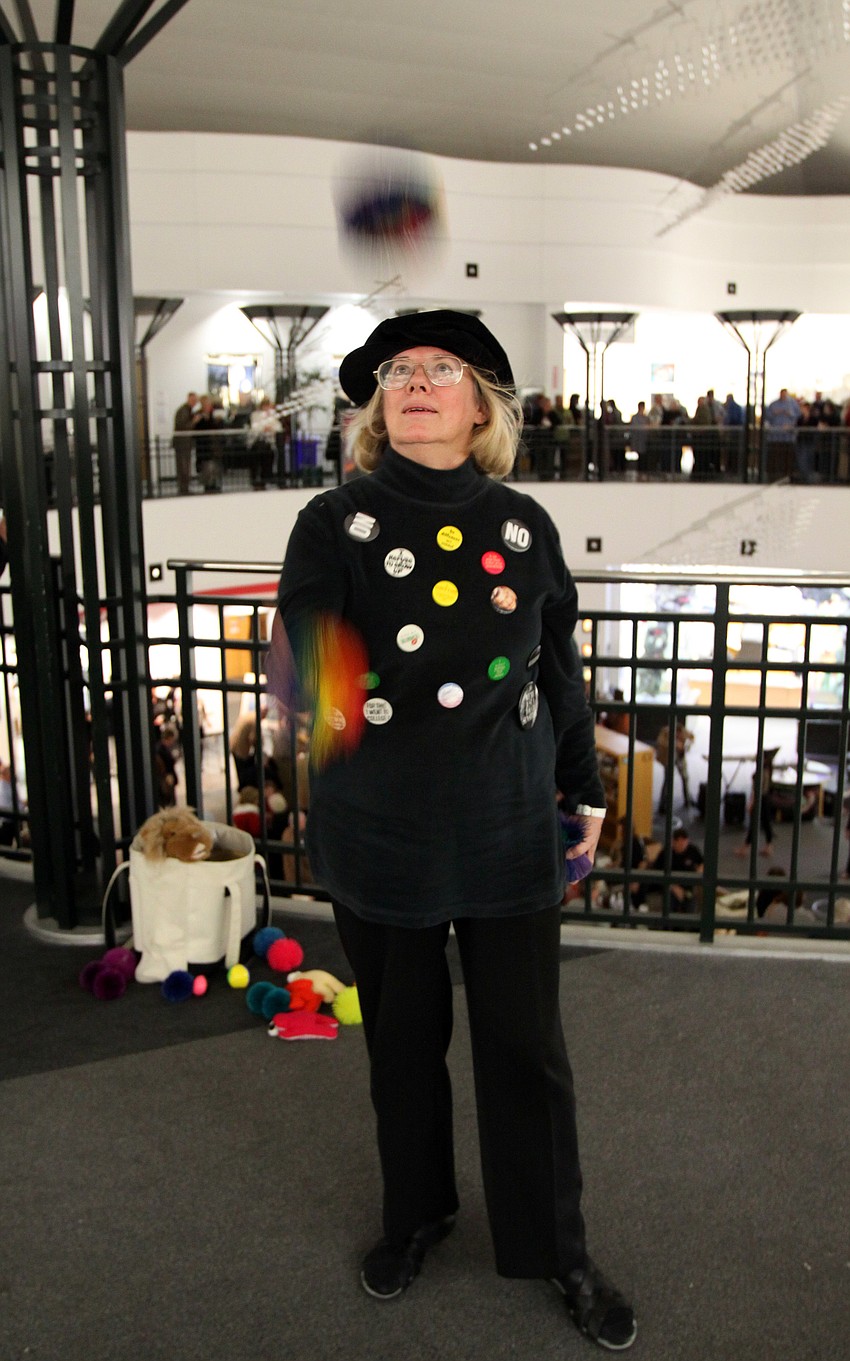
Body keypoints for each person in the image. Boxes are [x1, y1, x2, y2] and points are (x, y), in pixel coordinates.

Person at [275, 310, 636, 1351]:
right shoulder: (331, 521)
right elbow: (309, 662)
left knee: (527, 1049)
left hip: (508, 825)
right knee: (400, 1043)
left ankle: (554, 1244)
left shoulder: (524, 524)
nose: (416, 383)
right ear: (380, 404)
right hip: (380, 829)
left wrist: (587, 788)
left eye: (443, 369)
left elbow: (556, 671)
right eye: (398, 371)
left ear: (481, 405)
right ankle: (416, 1212)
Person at [735, 746, 779, 859]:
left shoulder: (761, 771)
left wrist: (751, 802)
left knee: (754, 823)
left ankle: (745, 848)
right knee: (765, 822)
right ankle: (768, 846)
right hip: (766, 799)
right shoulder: (768, 769)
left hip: (761, 799)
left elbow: (757, 789)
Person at [650, 822, 703, 910]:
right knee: (670, 905)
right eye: (680, 842)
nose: (683, 845)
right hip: (670, 885)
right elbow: (657, 871)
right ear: (674, 842)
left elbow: (702, 862)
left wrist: (699, 872)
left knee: (690, 906)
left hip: (688, 886)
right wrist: (674, 887)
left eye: (685, 842)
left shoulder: (692, 850)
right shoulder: (666, 853)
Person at [172, 391, 198, 494]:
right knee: (183, 466)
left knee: (185, 466)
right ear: (189, 399)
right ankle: (183, 488)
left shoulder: (187, 410)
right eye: (193, 400)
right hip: (182, 443)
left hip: (185, 443)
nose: (195, 402)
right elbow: (183, 427)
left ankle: (184, 487)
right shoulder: (184, 410)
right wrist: (193, 422)